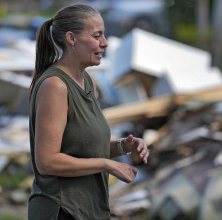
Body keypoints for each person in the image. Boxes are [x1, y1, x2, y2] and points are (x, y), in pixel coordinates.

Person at [28, 4, 149, 220]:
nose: (105, 42)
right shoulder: (56, 86)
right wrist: (106, 164)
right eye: (97, 35)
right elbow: (47, 162)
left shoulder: (88, 81)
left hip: (89, 209)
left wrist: (124, 146)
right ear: (71, 39)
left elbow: (84, 148)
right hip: (61, 211)